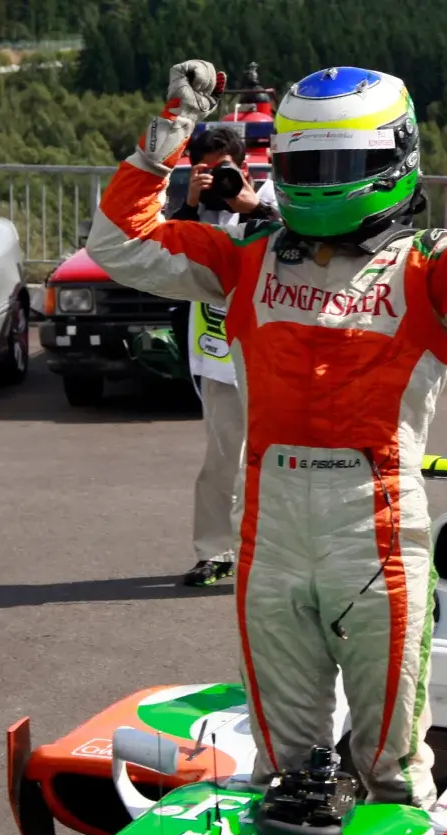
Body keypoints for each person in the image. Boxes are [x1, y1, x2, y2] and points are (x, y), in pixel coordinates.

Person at [87, 56, 447, 807]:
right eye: (306, 163)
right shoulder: (247, 256)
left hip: (376, 528)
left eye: (346, 162)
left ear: (396, 160)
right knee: (281, 768)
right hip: (267, 528)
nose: (325, 176)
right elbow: (118, 244)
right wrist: (170, 129)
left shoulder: (430, 266)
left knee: (391, 770)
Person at [169, 124, 280, 588]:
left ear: (246, 166)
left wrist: (255, 207)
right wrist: (193, 201)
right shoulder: (196, 212)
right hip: (215, 353)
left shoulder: (274, 197)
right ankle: (214, 552)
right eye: (206, 172)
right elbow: (170, 249)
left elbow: (306, 243)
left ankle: (271, 555)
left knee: (275, 460)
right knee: (220, 461)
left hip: (268, 355)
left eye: (224, 170)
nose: (218, 180)